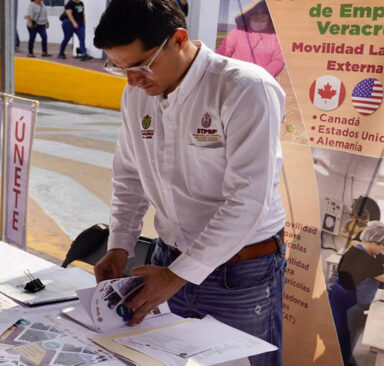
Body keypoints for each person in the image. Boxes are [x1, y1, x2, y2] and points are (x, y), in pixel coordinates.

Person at [92, 1, 286, 365]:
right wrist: (119, 246)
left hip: (240, 274)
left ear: (179, 39)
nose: (133, 80)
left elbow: (248, 198)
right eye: (120, 69)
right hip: (166, 262)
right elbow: (130, 177)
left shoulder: (244, 88)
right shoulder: (138, 94)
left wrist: (180, 275)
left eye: (141, 66)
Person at [328, 222, 384, 366]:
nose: (383, 249)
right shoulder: (363, 258)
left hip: (354, 306)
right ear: (373, 240)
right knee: (345, 340)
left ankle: (344, 360)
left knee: (349, 339)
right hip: (351, 307)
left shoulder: (362, 251)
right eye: (382, 245)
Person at [215, 0, 284, 78]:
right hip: (235, 79)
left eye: (264, 13)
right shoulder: (238, 31)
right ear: (249, 15)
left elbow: (278, 61)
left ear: (269, 16)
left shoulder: (275, 37)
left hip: (261, 82)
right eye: (255, 13)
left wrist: (260, 76)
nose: (259, 16)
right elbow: (223, 51)